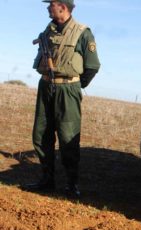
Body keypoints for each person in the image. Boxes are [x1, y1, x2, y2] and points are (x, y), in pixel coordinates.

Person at [25, 0, 100, 197]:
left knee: (68, 136)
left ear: (63, 7)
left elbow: (93, 66)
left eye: (51, 3)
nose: (48, 7)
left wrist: (75, 85)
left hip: (68, 89)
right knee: (41, 133)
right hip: (45, 86)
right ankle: (47, 179)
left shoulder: (83, 32)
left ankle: (71, 184)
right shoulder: (48, 30)